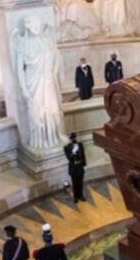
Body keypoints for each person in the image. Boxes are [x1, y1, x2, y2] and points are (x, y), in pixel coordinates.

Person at [11, 16, 64, 149]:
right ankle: (40, 140)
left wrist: (55, 70)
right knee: (37, 113)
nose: (37, 30)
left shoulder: (45, 41)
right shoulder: (23, 44)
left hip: (48, 81)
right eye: (35, 27)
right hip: (33, 83)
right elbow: (19, 70)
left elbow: (56, 56)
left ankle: (54, 136)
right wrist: (24, 88)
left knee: (53, 110)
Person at [63, 132, 87, 203]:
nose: (74, 139)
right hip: (73, 167)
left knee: (80, 182)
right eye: (72, 138)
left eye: (74, 138)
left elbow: (83, 155)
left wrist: (84, 165)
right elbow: (69, 158)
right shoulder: (66, 147)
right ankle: (76, 197)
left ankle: (81, 195)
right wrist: (73, 152)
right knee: (75, 182)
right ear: (70, 139)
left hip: (80, 166)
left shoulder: (80, 145)